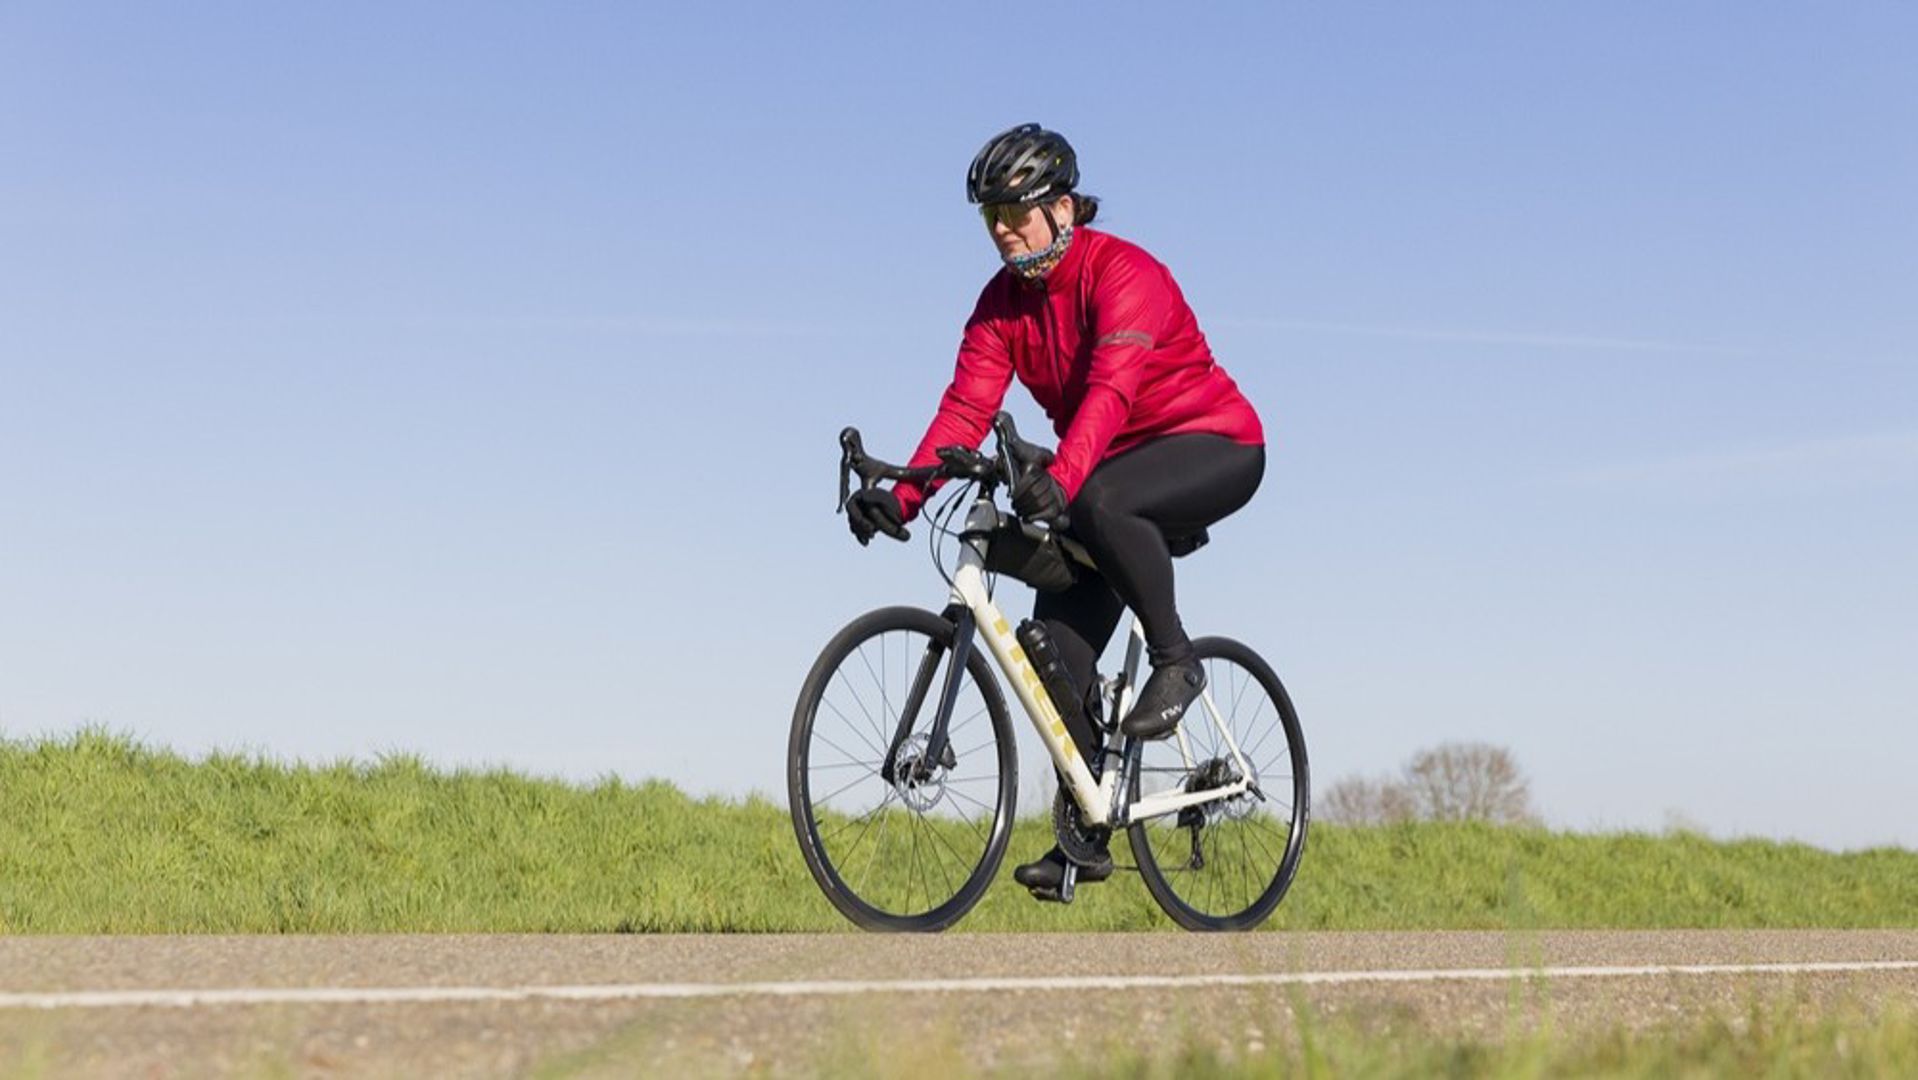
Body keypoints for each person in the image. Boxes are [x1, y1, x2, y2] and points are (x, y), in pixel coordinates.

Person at [844, 123, 1266, 900]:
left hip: (1211, 444)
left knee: (1095, 497)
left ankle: (1178, 661)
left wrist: (1062, 482)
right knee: (1052, 651)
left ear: (1064, 209)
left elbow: (1109, 396)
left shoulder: (1125, 274)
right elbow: (965, 410)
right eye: (992, 217)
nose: (1003, 230)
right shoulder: (1000, 305)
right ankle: (1086, 834)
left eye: (1017, 212)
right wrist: (901, 494)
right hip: (1104, 469)